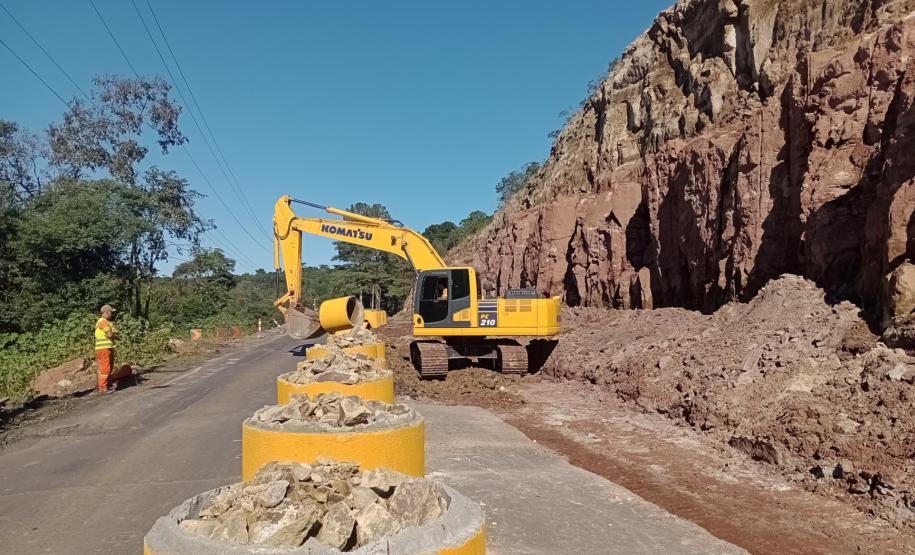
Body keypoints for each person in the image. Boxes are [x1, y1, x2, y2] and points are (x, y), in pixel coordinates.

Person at [95, 304, 120, 393]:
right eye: (111, 313)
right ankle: (103, 388)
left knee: (108, 367)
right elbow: (109, 334)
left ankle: (107, 384)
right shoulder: (104, 322)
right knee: (105, 368)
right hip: (104, 348)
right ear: (107, 312)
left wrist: (114, 334)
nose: (112, 314)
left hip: (106, 347)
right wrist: (115, 336)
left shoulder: (103, 322)